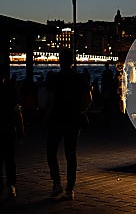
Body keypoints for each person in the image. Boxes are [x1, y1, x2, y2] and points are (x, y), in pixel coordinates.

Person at [44, 49, 91, 200]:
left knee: (51, 152)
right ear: (72, 61)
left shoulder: (54, 78)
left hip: (56, 118)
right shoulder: (80, 78)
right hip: (73, 119)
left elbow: (50, 100)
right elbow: (89, 98)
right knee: (71, 154)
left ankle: (56, 183)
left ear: (60, 61)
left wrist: (45, 117)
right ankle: (70, 188)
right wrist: (81, 110)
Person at [0, 65, 24, 199]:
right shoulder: (10, 89)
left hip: (5, 128)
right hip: (8, 128)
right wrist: (21, 129)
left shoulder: (10, 89)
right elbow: (17, 111)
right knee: (9, 158)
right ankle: (11, 185)